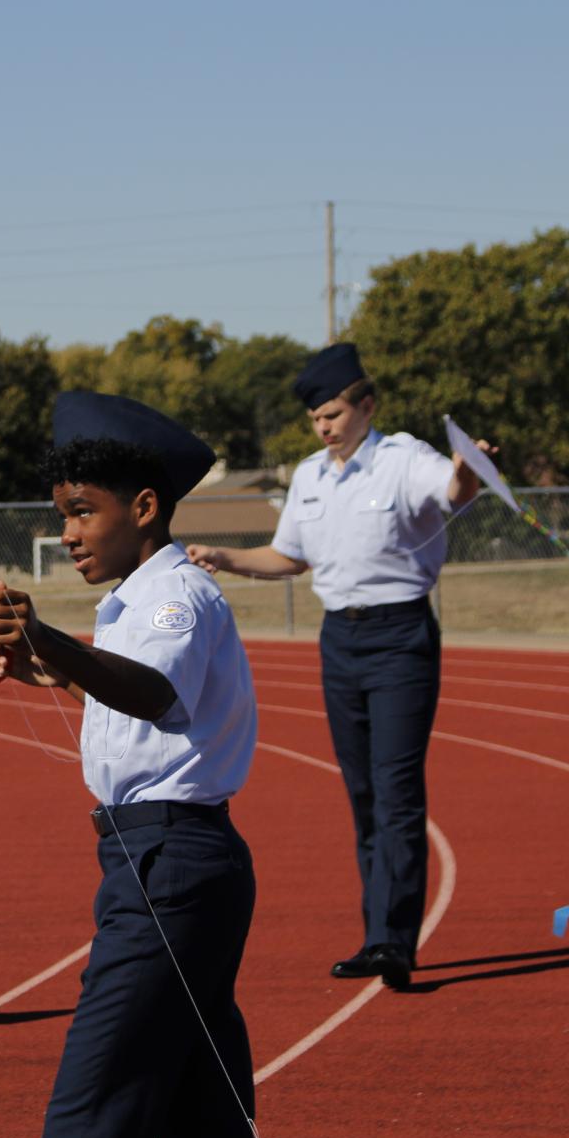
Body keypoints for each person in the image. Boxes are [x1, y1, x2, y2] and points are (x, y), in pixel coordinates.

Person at [0, 391, 299, 1138]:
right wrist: (39, 657)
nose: (71, 533)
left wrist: (51, 642)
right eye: (63, 516)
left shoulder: (176, 597)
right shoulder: (133, 600)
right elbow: (128, 692)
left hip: (170, 867)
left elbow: (154, 696)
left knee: (89, 1121)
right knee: (205, 1129)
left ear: (146, 507)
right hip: (155, 862)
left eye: (85, 512)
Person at [186, 343, 488, 992]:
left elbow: (454, 493)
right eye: (316, 418)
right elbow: (290, 558)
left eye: (333, 414)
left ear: (365, 406)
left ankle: (392, 941)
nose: (324, 427)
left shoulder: (403, 457)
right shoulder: (309, 476)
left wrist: (471, 468)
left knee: (397, 789)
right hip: (338, 640)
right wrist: (223, 556)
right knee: (362, 793)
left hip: (400, 633)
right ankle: (375, 932)